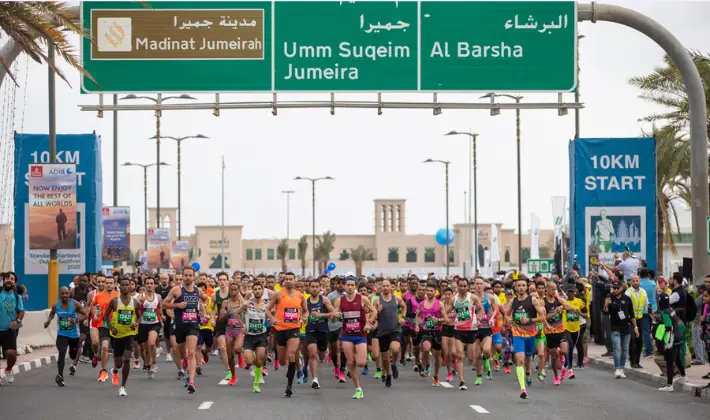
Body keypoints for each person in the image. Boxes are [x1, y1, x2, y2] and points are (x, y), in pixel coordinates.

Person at [162, 266, 208, 394]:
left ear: (194, 277)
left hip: (193, 325)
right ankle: (187, 367)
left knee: (191, 353)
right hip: (180, 325)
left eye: (190, 275)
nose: (188, 278)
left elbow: (206, 299)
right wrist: (177, 305)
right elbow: (164, 305)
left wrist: (202, 308)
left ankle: (192, 382)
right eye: (186, 275)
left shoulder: (198, 291)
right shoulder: (176, 290)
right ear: (182, 276)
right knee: (182, 353)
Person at [333, 275, 376, 399]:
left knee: (362, 363)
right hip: (347, 335)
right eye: (348, 285)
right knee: (351, 362)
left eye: (352, 285)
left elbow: (374, 311)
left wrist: (369, 323)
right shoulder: (340, 300)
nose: (350, 287)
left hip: (360, 334)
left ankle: (352, 369)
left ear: (356, 286)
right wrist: (336, 314)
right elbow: (335, 313)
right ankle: (358, 389)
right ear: (345, 286)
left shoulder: (362, 299)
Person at [266, 271, 308, 397]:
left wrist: (304, 318)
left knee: (291, 355)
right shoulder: (278, 294)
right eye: (287, 279)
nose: (289, 281)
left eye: (291, 278)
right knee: (283, 361)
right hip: (280, 329)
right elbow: (267, 309)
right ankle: (288, 370)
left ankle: (289, 386)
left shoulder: (300, 296)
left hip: (294, 329)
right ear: (284, 281)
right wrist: (272, 319)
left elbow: (306, 311)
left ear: (295, 280)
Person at [506, 277, 546, 399]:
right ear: (515, 287)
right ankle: (523, 389)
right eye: (519, 285)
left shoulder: (532, 300)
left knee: (528, 358)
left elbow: (543, 316)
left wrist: (530, 320)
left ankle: (528, 373)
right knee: (520, 359)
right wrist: (510, 321)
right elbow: (507, 314)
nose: (521, 287)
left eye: (523, 285)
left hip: (531, 333)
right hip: (518, 333)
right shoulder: (513, 301)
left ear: (526, 287)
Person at [44, 286, 87, 386]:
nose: (64, 295)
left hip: (74, 335)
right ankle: (60, 376)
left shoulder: (75, 304)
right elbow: (52, 313)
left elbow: (85, 314)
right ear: (60, 294)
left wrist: (76, 320)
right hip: (62, 334)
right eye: (62, 293)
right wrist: (48, 321)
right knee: (62, 353)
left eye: (66, 293)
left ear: (69, 294)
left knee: (73, 355)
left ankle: (77, 351)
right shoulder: (56, 305)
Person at [103, 278, 139, 396]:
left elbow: (139, 316)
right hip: (116, 334)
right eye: (122, 285)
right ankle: (115, 370)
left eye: (126, 285)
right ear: (119, 287)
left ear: (130, 287)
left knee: (127, 359)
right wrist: (110, 327)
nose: (124, 287)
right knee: (118, 363)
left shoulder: (135, 302)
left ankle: (123, 386)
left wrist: (136, 323)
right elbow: (106, 316)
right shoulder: (114, 301)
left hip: (129, 334)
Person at [414, 282, 449, 386]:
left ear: (435, 292)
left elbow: (446, 319)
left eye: (431, 291)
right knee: (426, 348)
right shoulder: (422, 304)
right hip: (426, 330)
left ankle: (436, 376)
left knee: (437, 356)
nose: (429, 292)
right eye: (427, 290)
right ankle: (427, 365)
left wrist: (438, 320)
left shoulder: (439, 304)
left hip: (437, 331)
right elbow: (418, 315)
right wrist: (416, 325)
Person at [374, 279, 407, 388]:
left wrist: (402, 317)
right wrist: (377, 312)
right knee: (384, 358)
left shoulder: (396, 298)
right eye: (383, 286)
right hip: (382, 331)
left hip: (395, 329)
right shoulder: (377, 300)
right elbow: (372, 316)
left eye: (387, 286)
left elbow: (404, 306)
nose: (385, 288)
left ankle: (394, 365)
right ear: (381, 287)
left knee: (395, 348)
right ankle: (388, 374)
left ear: (391, 287)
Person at [304, 279, 336, 390]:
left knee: (321, 355)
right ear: (309, 288)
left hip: (323, 331)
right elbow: (301, 314)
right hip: (310, 332)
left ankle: (324, 352)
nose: (314, 288)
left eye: (317, 286)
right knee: (312, 354)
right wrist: (303, 318)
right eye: (312, 286)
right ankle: (315, 379)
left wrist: (320, 315)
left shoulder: (324, 300)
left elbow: (333, 313)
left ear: (320, 287)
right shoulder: (305, 301)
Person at [604, 281, 638, 379]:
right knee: (616, 347)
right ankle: (617, 368)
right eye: (614, 288)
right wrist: (606, 304)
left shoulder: (627, 299)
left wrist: (635, 327)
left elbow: (632, 315)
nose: (615, 290)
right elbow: (605, 311)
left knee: (625, 349)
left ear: (621, 288)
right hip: (615, 327)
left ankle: (622, 368)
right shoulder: (610, 298)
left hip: (626, 326)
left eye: (617, 288)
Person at [0, 272, 24, 385]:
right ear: (3, 280)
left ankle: (8, 369)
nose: (9, 280)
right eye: (7, 278)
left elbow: (21, 311)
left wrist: (17, 321)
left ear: (15, 282)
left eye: (12, 279)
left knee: (11, 355)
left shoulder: (16, 296)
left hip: (9, 331)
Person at [220, 283, 244, 387]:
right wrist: (226, 313)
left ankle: (240, 355)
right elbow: (220, 319)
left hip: (239, 330)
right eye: (232, 290)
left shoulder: (242, 302)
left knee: (237, 348)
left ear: (239, 290)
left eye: (236, 290)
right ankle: (233, 376)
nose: (234, 292)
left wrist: (245, 325)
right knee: (230, 356)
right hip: (229, 331)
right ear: (229, 290)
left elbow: (248, 315)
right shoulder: (226, 302)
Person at [136, 276, 161, 377]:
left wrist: (162, 316)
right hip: (143, 324)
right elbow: (135, 308)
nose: (149, 285)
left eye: (151, 283)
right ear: (145, 285)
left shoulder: (158, 297)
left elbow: (159, 308)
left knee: (151, 344)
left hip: (154, 323)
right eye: (148, 283)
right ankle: (148, 365)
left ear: (154, 285)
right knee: (145, 349)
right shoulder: (140, 296)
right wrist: (140, 302)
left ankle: (154, 362)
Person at [625, 275, 651, 369]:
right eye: (634, 281)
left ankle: (637, 361)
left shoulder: (643, 291)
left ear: (639, 281)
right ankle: (632, 361)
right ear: (631, 282)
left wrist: (651, 315)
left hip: (640, 319)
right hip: (631, 319)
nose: (635, 282)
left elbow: (647, 305)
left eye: (637, 281)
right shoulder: (628, 292)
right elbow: (626, 306)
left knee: (639, 341)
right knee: (632, 341)